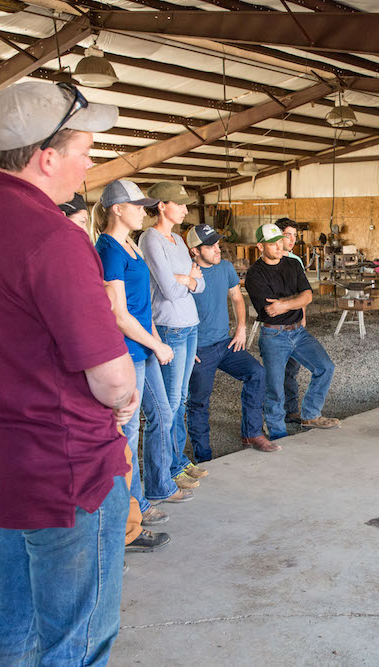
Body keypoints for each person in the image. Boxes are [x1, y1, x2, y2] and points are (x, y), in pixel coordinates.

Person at [0, 81, 137, 664]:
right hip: (64, 464)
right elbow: (113, 379)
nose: (89, 163)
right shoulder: (52, 235)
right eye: (84, 151)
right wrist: (123, 397)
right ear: (47, 158)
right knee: (77, 635)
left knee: (11, 614)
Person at [95, 180, 191, 531]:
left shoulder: (130, 245)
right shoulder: (108, 249)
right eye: (136, 206)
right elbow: (119, 314)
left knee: (163, 414)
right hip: (127, 351)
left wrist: (154, 341)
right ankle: (133, 508)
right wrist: (156, 344)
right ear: (117, 209)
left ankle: (157, 487)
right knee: (128, 431)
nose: (142, 211)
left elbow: (142, 306)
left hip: (144, 346)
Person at [186, 224, 278, 460]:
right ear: (195, 251)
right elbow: (168, 309)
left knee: (256, 373)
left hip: (225, 344)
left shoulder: (225, 268)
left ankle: (252, 433)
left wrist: (241, 329)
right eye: (211, 246)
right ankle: (203, 455)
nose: (218, 249)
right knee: (199, 402)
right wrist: (185, 346)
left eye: (218, 244)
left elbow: (237, 298)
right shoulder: (186, 273)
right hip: (199, 349)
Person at [140, 181, 208, 491]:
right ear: (162, 205)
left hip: (190, 324)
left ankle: (178, 461)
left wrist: (185, 279)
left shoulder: (179, 240)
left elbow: (200, 283)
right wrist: (186, 280)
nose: (184, 209)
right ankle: (168, 468)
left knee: (181, 399)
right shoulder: (150, 239)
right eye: (178, 204)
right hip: (170, 326)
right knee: (169, 403)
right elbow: (167, 290)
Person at [245, 222, 339, 439]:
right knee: (275, 388)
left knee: (325, 367)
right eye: (273, 244)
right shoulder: (255, 274)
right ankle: (278, 432)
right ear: (260, 247)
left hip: (298, 332)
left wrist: (285, 303)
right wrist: (295, 299)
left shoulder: (293, 264)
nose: (279, 247)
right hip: (274, 335)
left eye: (280, 241)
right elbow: (271, 310)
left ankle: (310, 415)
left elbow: (308, 296)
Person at [274, 217, 304, 423]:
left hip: (295, 323)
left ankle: (291, 410)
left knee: (292, 369)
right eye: (288, 235)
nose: (292, 239)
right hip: (276, 326)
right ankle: (273, 415)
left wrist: (303, 318)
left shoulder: (296, 261)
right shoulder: (270, 260)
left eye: (294, 235)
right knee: (276, 372)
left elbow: (303, 292)